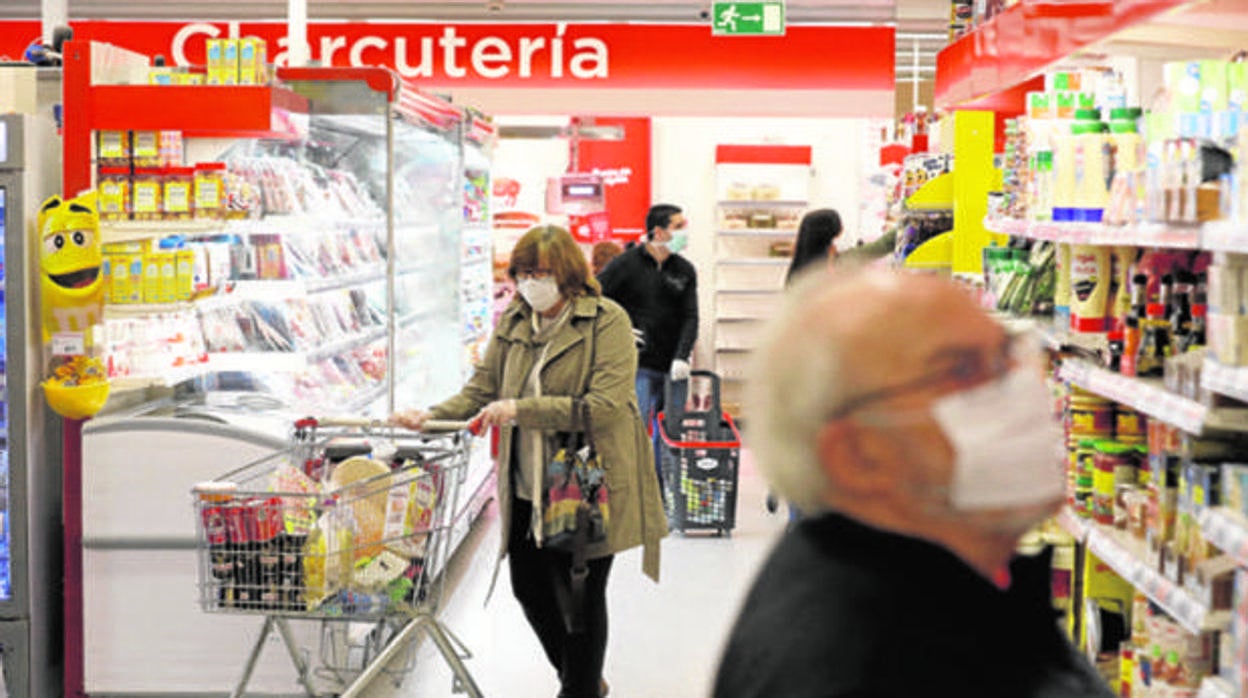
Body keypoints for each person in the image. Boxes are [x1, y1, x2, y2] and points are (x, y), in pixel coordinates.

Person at [714, 267, 1114, 698]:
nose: (1020, 386)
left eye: (1008, 355)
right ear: (858, 455)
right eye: (962, 370)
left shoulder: (937, 588)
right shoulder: (869, 668)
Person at [392, 225, 667, 698]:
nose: (530, 283)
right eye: (522, 273)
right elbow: (481, 390)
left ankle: (577, 690)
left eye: (541, 273)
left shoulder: (607, 321)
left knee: (581, 592)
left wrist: (521, 409)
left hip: (586, 474)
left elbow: (604, 404)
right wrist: (430, 417)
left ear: (568, 274)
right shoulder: (515, 321)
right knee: (529, 586)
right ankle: (580, 678)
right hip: (526, 479)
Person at [597, 204, 698, 488]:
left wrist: (682, 356)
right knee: (634, 431)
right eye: (678, 226)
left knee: (671, 433)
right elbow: (593, 298)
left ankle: (661, 490)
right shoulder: (625, 264)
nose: (684, 231)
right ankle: (631, 490)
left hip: (674, 368)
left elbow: (691, 316)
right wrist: (618, 330)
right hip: (637, 366)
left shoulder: (684, 270)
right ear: (658, 231)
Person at [766, 208, 845, 522]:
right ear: (829, 238)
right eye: (837, 236)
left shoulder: (802, 274)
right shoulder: (817, 282)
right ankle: (803, 524)